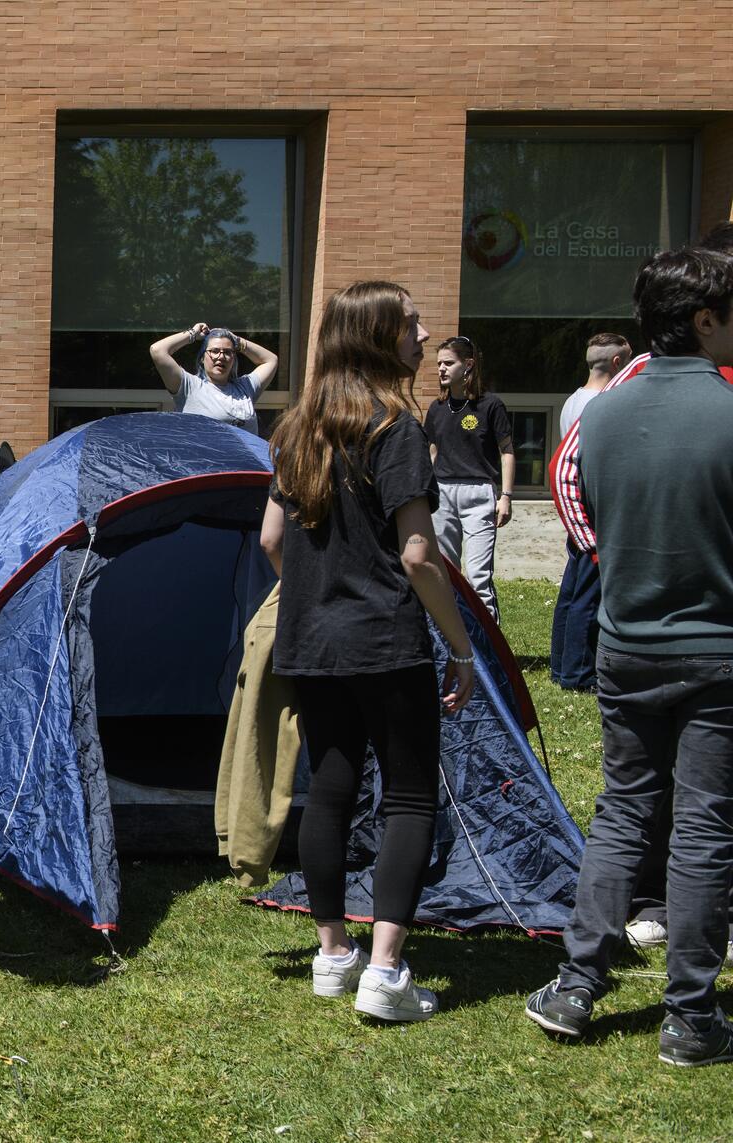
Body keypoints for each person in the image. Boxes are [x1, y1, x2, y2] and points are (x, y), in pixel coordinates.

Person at [526, 247, 733, 1068]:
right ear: (706, 318)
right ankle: (690, 1015)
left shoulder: (598, 413)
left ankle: (577, 984)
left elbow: (574, 500)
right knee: (706, 828)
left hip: (626, 642)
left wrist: (615, 559)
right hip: (717, 650)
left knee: (622, 812)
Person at [260, 280, 477, 1023]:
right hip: (386, 640)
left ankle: (332, 954)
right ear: (381, 337)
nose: (424, 336)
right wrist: (461, 647)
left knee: (329, 787)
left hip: (311, 642)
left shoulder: (295, 429)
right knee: (410, 796)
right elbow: (419, 554)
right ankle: (386, 972)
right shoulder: (398, 429)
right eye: (412, 324)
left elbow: (270, 541)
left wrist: (322, 598)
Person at [550, 222, 733, 560]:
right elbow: (565, 468)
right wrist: (595, 550)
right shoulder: (631, 383)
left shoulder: (602, 410)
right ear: (706, 315)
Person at [549, 333, 630, 693]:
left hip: (574, 504)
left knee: (572, 588)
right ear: (616, 364)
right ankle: (578, 673)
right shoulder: (604, 403)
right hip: (591, 505)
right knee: (589, 592)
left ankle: (560, 665)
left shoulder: (572, 401)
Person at [423, 335, 513, 618]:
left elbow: (507, 451)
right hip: (442, 495)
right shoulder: (437, 408)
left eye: (449, 363)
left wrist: (506, 496)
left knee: (477, 578)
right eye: (439, 363)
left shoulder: (490, 405)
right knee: (446, 573)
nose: (441, 369)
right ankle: (453, 646)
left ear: (469, 365)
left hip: (479, 494)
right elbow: (432, 452)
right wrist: (424, 493)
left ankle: (488, 653)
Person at [149, 323, 281, 434]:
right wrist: (193, 333)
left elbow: (271, 360)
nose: (221, 356)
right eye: (215, 351)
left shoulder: (245, 387)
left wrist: (238, 341)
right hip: (203, 464)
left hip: (245, 464)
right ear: (202, 358)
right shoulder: (189, 386)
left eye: (228, 352)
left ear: (233, 359)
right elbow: (157, 350)